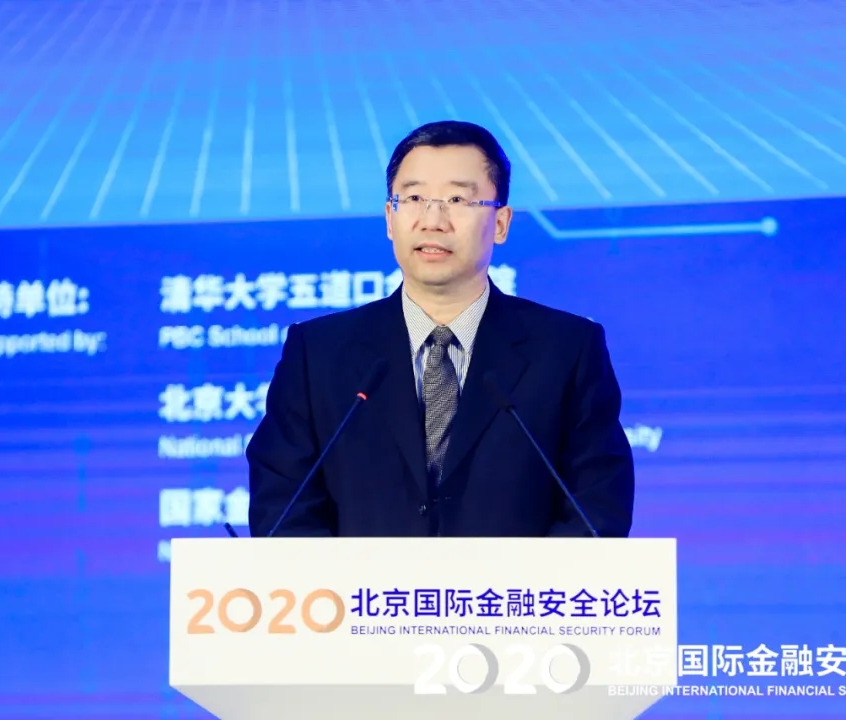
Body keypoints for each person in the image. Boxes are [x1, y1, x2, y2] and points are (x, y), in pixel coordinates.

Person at [247, 120, 634, 537]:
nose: (433, 220)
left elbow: (596, 509)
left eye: (457, 199)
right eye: (414, 198)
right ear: (390, 218)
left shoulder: (567, 350)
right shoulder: (317, 354)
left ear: (501, 223)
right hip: (360, 584)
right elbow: (283, 508)